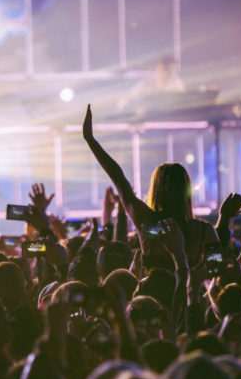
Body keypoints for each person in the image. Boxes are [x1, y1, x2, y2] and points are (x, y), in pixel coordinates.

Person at [82, 104, 218, 266]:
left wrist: (91, 140)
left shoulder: (149, 223)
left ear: (157, 190)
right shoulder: (204, 231)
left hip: (152, 291)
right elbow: (217, 266)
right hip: (191, 291)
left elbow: (119, 179)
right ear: (186, 191)